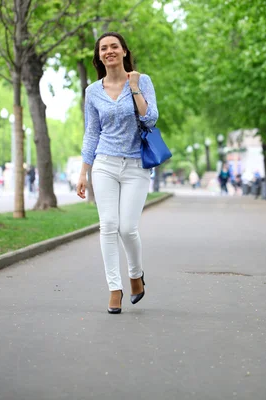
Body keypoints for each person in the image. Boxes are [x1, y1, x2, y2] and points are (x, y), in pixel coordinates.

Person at [76, 32, 158, 315]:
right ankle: (114, 288)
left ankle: (136, 275)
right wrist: (83, 172)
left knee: (127, 228)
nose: (109, 51)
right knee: (108, 225)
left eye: (114, 47)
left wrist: (134, 87)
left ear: (124, 51)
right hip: (105, 164)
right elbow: (92, 133)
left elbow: (150, 118)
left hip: (136, 165)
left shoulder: (141, 80)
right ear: (99, 56)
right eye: (104, 48)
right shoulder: (92, 91)